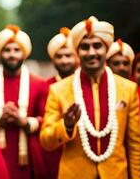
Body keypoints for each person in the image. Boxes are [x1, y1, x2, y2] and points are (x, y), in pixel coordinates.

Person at [40, 16, 140, 179]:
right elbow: (46, 141)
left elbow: (136, 145)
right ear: (77, 51)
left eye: (97, 46)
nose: (91, 52)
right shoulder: (59, 90)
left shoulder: (128, 89)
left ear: (106, 49)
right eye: (85, 47)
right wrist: (66, 125)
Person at [0, 25, 47, 179]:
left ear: (24, 53)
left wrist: (24, 122)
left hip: (29, 158)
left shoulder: (39, 83)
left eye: (17, 50)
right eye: (7, 50)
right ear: (0, 53)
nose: (12, 55)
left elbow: (47, 119)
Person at [43, 27, 77, 179]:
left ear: (77, 57)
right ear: (52, 59)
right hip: (50, 155)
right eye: (59, 56)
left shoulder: (86, 85)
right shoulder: (45, 87)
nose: (64, 60)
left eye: (68, 55)